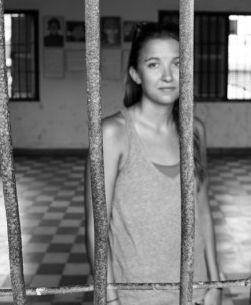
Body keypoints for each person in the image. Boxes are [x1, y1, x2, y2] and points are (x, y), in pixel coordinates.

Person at [84, 23, 222, 305]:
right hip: (134, 295)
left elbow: (203, 212)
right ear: (136, 73)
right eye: (154, 64)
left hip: (192, 291)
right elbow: (96, 226)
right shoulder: (113, 134)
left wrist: (216, 284)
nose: (169, 75)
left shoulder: (194, 130)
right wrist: (110, 299)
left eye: (177, 63)